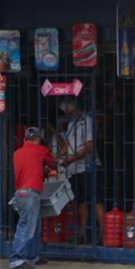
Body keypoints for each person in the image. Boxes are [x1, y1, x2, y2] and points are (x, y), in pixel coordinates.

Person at [11, 127, 57, 269]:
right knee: (26, 226)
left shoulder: (17, 153)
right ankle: (17, 259)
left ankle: (32, 256)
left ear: (24, 139)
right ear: (38, 140)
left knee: (34, 225)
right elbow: (53, 163)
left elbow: (29, 168)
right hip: (31, 193)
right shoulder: (41, 150)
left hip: (20, 193)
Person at [57, 99, 95, 233]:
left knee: (92, 200)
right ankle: (81, 231)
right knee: (79, 200)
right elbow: (68, 145)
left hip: (86, 167)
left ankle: (95, 233)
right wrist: (58, 158)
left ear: (77, 108)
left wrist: (72, 158)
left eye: (69, 110)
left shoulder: (87, 121)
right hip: (73, 169)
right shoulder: (72, 123)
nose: (67, 113)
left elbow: (89, 146)